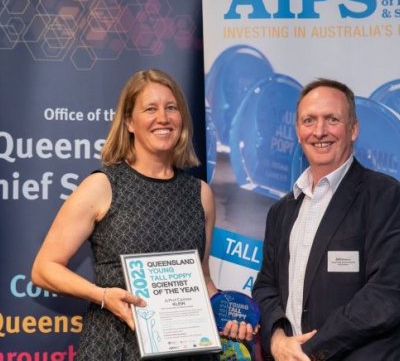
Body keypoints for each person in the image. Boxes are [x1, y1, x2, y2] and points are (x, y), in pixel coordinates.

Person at [31, 69, 253, 360]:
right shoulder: (102, 186)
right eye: (150, 109)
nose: (163, 118)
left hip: (187, 350)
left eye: (171, 108)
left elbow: (202, 277)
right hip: (116, 347)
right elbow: (44, 269)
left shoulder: (201, 194)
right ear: (129, 122)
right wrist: (103, 295)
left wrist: (229, 313)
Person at [252, 78, 400, 360]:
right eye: (309, 120)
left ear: (353, 129)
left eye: (332, 119)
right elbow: (266, 286)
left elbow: (387, 294)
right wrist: (278, 340)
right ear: (298, 131)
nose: (319, 131)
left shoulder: (385, 196)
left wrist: (308, 351)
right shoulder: (282, 211)